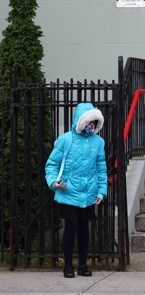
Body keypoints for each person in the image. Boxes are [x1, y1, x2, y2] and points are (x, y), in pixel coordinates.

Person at [44, 102, 108, 278]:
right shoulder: (66, 139)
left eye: (94, 123)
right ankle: (68, 266)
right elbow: (52, 164)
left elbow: (101, 169)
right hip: (68, 192)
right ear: (80, 122)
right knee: (70, 228)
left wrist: (101, 191)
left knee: (84, 230)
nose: (91, 126)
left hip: (88, 193)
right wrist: (53, 182)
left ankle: (82, 265)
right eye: (89, 122)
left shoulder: (98, 142)